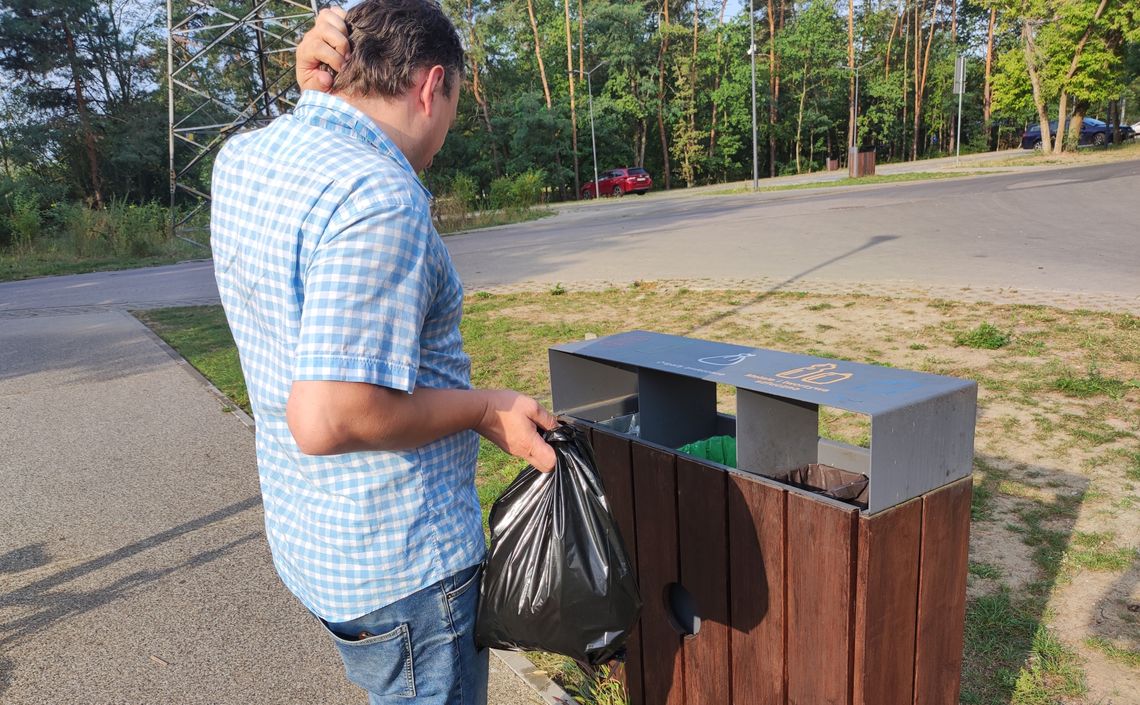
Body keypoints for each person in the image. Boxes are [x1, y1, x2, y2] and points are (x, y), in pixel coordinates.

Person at [211, 1, 558, 703]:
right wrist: (486, 408)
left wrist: (311, 95)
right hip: (403, 570)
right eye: (452, 107)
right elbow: (330, 415)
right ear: (432, 86)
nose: (442, 138)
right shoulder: (378, 195)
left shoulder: (244, 157)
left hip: (317, 545)